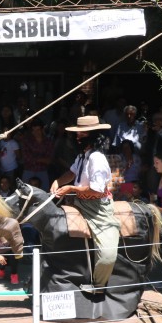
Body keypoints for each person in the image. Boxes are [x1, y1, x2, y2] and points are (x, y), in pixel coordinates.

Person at [51, 116, 120, 294]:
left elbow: (97, 191)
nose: (77, 137)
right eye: (78, 133)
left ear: (92, 135)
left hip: (98, 209)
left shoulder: (97, 158)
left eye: (81, 133)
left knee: (107, 255)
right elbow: (72, 172)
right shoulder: (83, 155)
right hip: (79, 201)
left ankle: (98, 286)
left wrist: (70, 188)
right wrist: (58, 181)